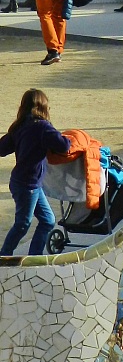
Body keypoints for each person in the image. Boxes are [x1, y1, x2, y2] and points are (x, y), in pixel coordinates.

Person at [0, 89, 70, 255]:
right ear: (43, 107)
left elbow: (2, 149)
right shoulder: (43, 128)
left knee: (47, 221)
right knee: (23, 223)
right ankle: (4, 256)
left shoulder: (20, 126)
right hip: (28, 185)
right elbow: (64, 146)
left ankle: (34, 258)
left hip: (24, 182)